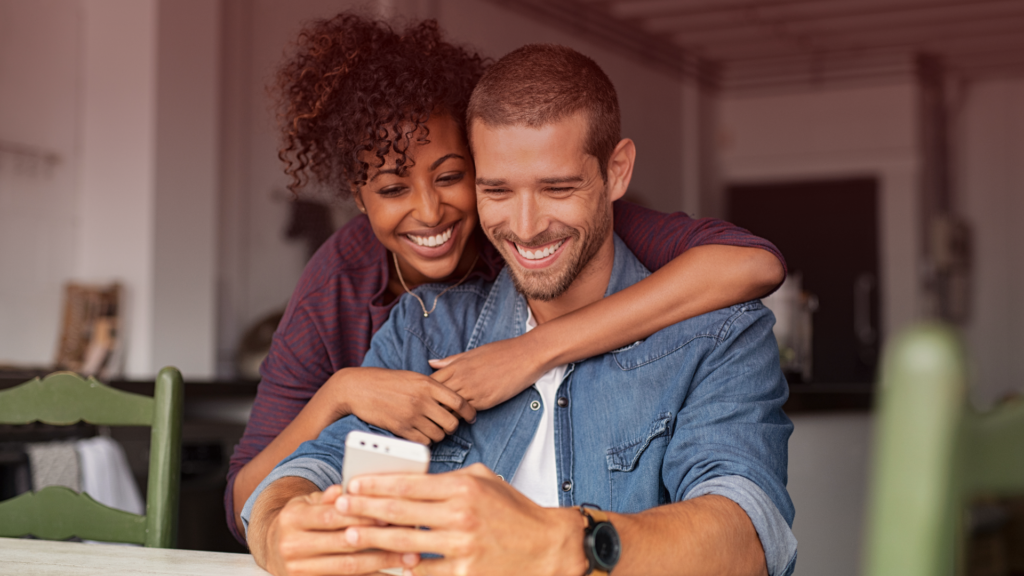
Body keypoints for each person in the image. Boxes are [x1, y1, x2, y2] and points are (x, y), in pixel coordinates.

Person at [226, 14, 787, 543]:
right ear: (359, 199)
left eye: (450, 178)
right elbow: (266, 493)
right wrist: (339, 396)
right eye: (499, 190)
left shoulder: (669, 293)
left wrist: (530, 351)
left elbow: (752, 265)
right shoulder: (393, 310)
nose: (429, 212)